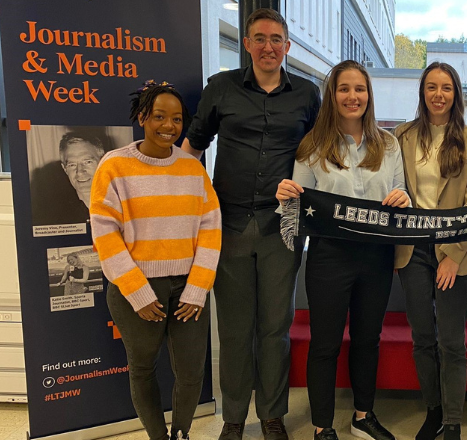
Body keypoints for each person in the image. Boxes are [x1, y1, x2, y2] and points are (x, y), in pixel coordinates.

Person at [182, 8, 320, 440]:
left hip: (284, 227)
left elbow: (321, 155)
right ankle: (235, 418)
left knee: (275, 328)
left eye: (276, 39)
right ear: (246, 44)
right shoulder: (221, 87)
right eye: (259, 38)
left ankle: (273, 414)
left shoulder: (307, 95)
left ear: (287, 47)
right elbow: (193, 146)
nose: (268, 47)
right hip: (230, 223)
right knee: (236, 328)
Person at [275, 60, 408, 440]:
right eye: (344, 89)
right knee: (325, 343)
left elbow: (402, 194)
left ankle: (362, 417)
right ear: (333, 95)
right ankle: (323, 426)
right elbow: (295, 208)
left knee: (368, 339)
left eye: (360, 89)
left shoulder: (388, 143)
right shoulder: (313, 146)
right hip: (329, 256)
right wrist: (283, 198)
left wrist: (404, 197)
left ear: (369, 95)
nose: (353, 96)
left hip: (377, 256)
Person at [90, 81, 221, 440]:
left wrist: (197, 288)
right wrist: (136, 290)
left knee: (192, 373)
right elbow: (104, 232)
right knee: (143, 368)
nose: (169, 126)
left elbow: (211, 228)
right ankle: (156, 436)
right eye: (159, 116)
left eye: (177, 119)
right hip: (136, 290)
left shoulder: (192, 169)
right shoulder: (114, 166)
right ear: (142, 117)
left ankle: (180, 432)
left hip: (188, 288)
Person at [393, 62, 467, 440]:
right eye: (431, 87)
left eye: (446, 88)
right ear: (422, 92)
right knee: (422, 338)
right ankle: (432, 410)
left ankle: (452, 420)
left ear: (456, 93)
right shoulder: (401, 135)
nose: (438, 95)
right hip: (412, 248)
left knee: (451, 340)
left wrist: (453, 253)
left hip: (454, 248)